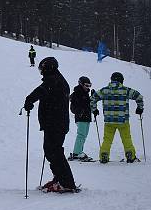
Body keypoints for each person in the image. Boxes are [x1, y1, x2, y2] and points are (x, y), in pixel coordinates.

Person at [23, 57, 78, 193]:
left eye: (42, 69)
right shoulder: (56, 79)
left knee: (54, 152)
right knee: (52, 151)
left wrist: (29, 99)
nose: (41, 72)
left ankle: (66, 183)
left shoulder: (53, 79)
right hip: (55, 123)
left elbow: (41, 90)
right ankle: (59, 179)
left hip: (55, 123)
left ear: (48, 67)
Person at [91, 71, 144, 163]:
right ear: (121, 80)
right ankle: (130, 155)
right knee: (126, 138)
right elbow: (138, 96)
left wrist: (94, 110)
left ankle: (104, 155)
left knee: (107, 139)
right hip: (123, 120)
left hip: (109, 121)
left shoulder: (104, 90)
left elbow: (93, 98)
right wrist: (139, 108)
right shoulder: (126, 90)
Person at [68, 76, 94, 161]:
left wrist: (92, 97)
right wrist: (81, 111)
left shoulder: (84, 93)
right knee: (81, 135)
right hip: (81, 117)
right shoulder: (77, 93)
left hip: (86, 117)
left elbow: (87, 103)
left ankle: (78, 152)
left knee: (84, 135)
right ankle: (77, 153)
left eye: (89, 85)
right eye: (86, 85)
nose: (88, 87)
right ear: (81, 84)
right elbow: (74, 107)